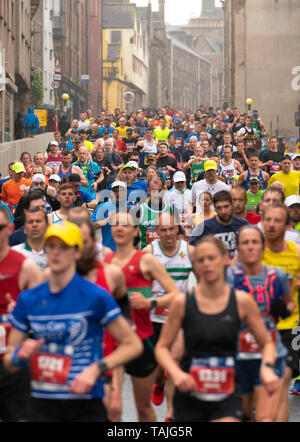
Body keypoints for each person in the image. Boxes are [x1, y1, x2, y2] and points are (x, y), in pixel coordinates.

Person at [4, 221, 142, 422]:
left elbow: (133, 345)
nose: (56, 253)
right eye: (51, 246)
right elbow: (9, 361)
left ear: (77, 253)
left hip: (85, 403)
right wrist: (19, 355)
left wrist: (97, 369)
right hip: (41, 405)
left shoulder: (96, 296)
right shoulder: (29, 299)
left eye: (64, 247)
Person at [155, 235, 280, 422]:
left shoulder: (241, 301)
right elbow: (162, 347)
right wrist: (176, 373)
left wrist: (267, 368)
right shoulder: (183, 302)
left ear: (225, 259)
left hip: (228, 392)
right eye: (200, 260)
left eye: (211, 258)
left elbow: (267, 343)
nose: (206, 264)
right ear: (194, 265)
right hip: (191, 393)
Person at [105, 211, 178, 422]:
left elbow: (174, 293)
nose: (119, 228)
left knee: (143, 408)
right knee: (113, 408)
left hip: (142, 339)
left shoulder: (145, 260)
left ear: (135, 231)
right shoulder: (106, 261)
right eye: (115, 224)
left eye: (124, 225)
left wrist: (149, 303)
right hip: (114, 342)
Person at [227, 226, 294, 421]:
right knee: (245, 414)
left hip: (270, 353)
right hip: (240, 355)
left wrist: (283, 310)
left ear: (263, 248)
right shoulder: (230, 277)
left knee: (265, 417)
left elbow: (289, 301)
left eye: (255, 242)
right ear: (238, 248)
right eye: (245, 243)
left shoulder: (277, 276)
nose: (250, 247)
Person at [144, 212, 194, 422]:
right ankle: (159, 383)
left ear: (177, 229)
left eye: (171, 229)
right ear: (157, 232)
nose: (167, 234)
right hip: (155, 317)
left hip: (179, 319)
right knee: (158, 368)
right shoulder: (148, 252)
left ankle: (171, 415)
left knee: (174, 363)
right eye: (162, 230)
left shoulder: (189, 251)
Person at [0, 206, 42, 422]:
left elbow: (44, 316)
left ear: (9, 228)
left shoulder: (26, 267)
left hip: (14, 361)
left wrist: (22, 310)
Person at [261, 204, 300, 421]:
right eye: (269, 220)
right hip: (259, 328)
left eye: (278, 221)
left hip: (291, 327)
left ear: (288, 225)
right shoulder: (253, 252)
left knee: (282, 381)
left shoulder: (297, 252)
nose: (273, 225)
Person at [190, 190, 248, 259]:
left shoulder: (243, 225)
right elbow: (190, 247)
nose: (223, 211)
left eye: (226, 207)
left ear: (232, 204)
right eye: (219, 208)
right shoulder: (205, 227)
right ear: (214, 208)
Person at [139, 176, 173, 249]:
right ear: (148, 191)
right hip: (146, 256)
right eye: (153, 191)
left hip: (165, 256)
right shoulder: (140, 210)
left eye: (159, 191)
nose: (157, 195)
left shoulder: (170, 209)